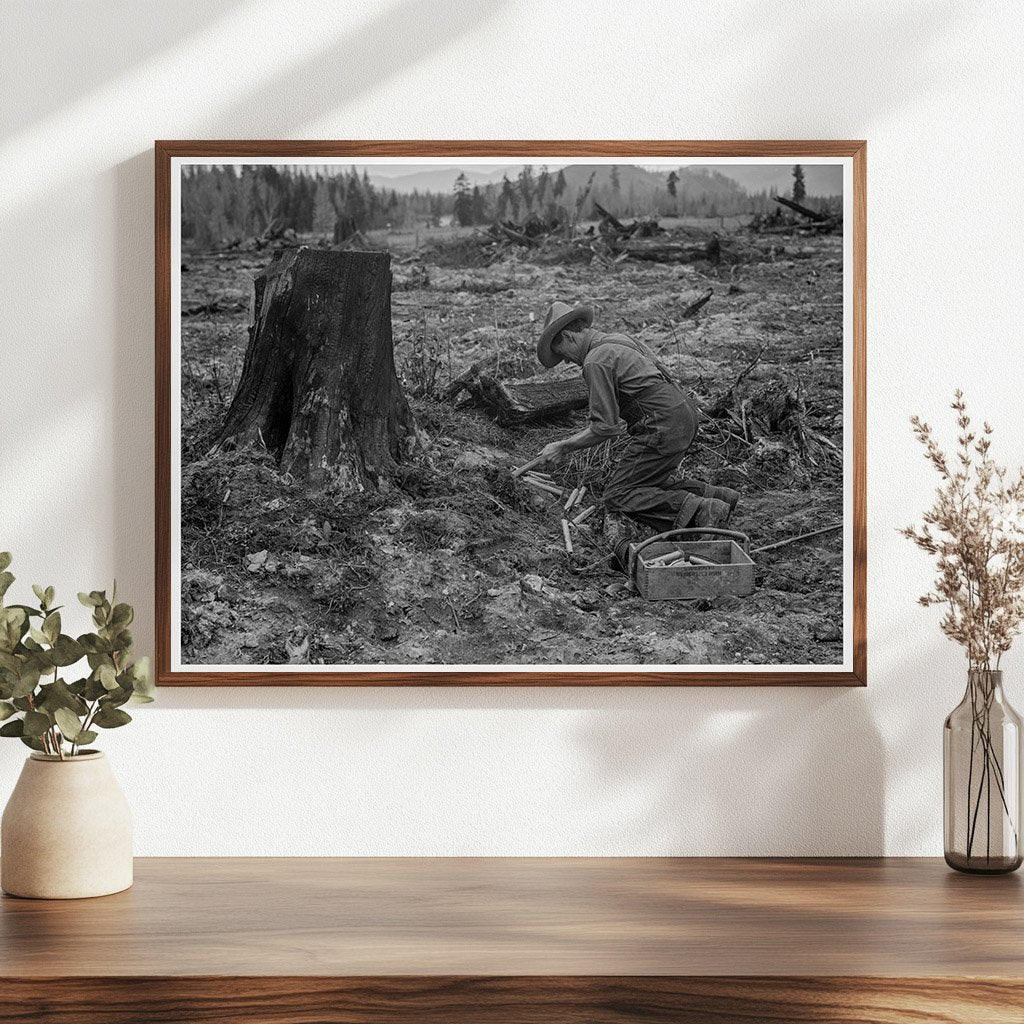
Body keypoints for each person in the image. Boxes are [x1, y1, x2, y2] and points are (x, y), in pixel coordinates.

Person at [534, 301, 739, 556]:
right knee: (649, 482)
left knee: (618, 495)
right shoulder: (619, 340)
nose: (567, 360)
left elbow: (605, 427)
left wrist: (563, 446)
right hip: (683, 413)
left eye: (563, 353)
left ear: (568, 336)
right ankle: (719, 497)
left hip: (662, 424)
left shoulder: (595, 361)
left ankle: (702, 510)